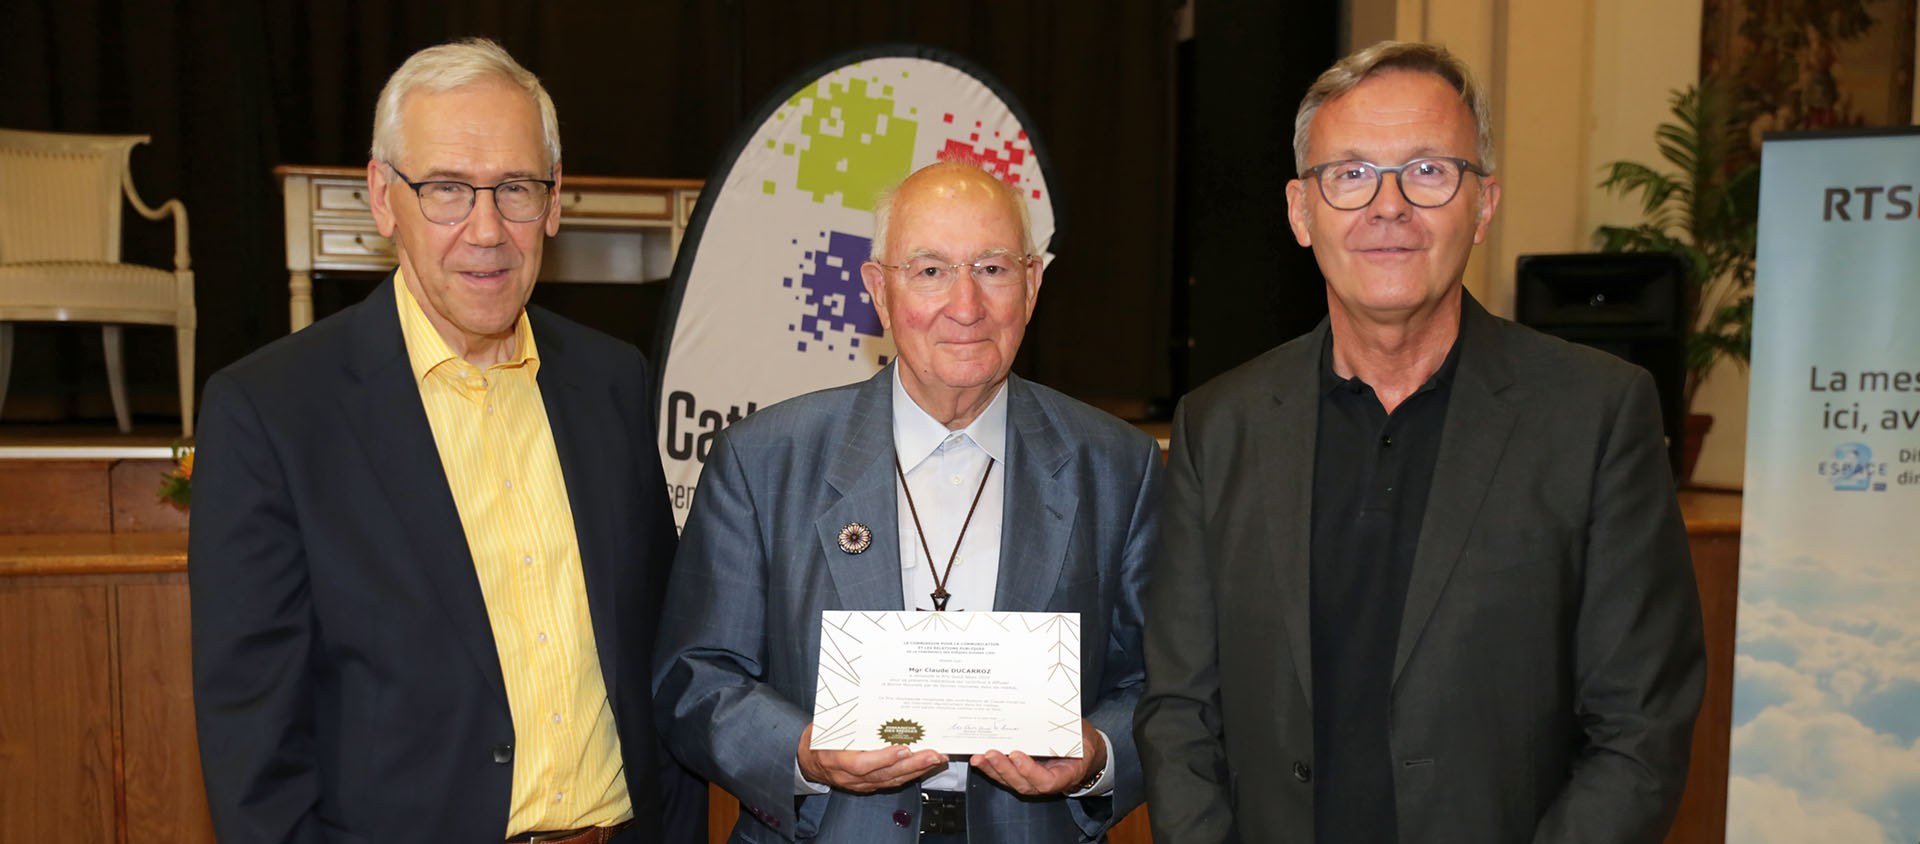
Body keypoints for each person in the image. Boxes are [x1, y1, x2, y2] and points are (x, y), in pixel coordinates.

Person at [1134, 41, 1707, 843]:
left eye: (1429, 171)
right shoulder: (1218, 425)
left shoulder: (1596, 416)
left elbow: (1640, 725)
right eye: (1352, 174)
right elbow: (1179, 713)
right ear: (1302, 212)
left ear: (1484, 204)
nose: (1389, 205)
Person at [190, 38, 700, 843]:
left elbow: (660, 660)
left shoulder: (613, 382)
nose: (487, 229)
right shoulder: (272, 413)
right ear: (383, 198)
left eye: (516, 189)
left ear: (556, 200)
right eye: (448, 189)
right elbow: (253, 750)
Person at [653, 161, 1163, 842]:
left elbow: (1161, 688)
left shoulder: (1117, 466)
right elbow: (696, 679)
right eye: (928, 270)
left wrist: (1097, 755)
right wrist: (802, 752)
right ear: (878, 290)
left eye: (992, 268)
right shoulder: (763, 459)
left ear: (1032, 283)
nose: (965, 305)